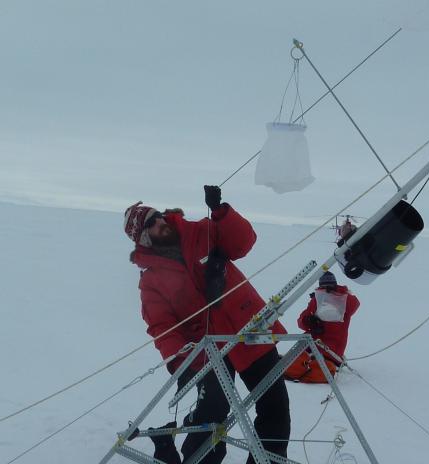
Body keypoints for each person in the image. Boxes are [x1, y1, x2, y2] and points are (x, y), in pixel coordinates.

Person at [124, 186, 290, 464]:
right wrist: (183, 365)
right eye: (151, 223)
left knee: (275, 407)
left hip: (249, 331)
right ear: (143, 238)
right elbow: (163, 328)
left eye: (158, 216)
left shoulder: (200, 231)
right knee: (210, 419)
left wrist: (221, 212)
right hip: (208, 351)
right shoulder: (151, 281)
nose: (160, 222)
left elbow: (243, 241)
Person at [284, 271, 360, 383]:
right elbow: (301, 322)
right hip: (312, 343)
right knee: (295, 359)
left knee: (315, 365)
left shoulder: (344, 301)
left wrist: (339, 292)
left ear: (335, 285)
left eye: (329, 287)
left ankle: (298, 370)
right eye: (324, 287)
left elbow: (355, 303)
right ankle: (291, 368)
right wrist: (309, 321)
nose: (327, 290)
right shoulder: (317, 301)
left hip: (331, 350)